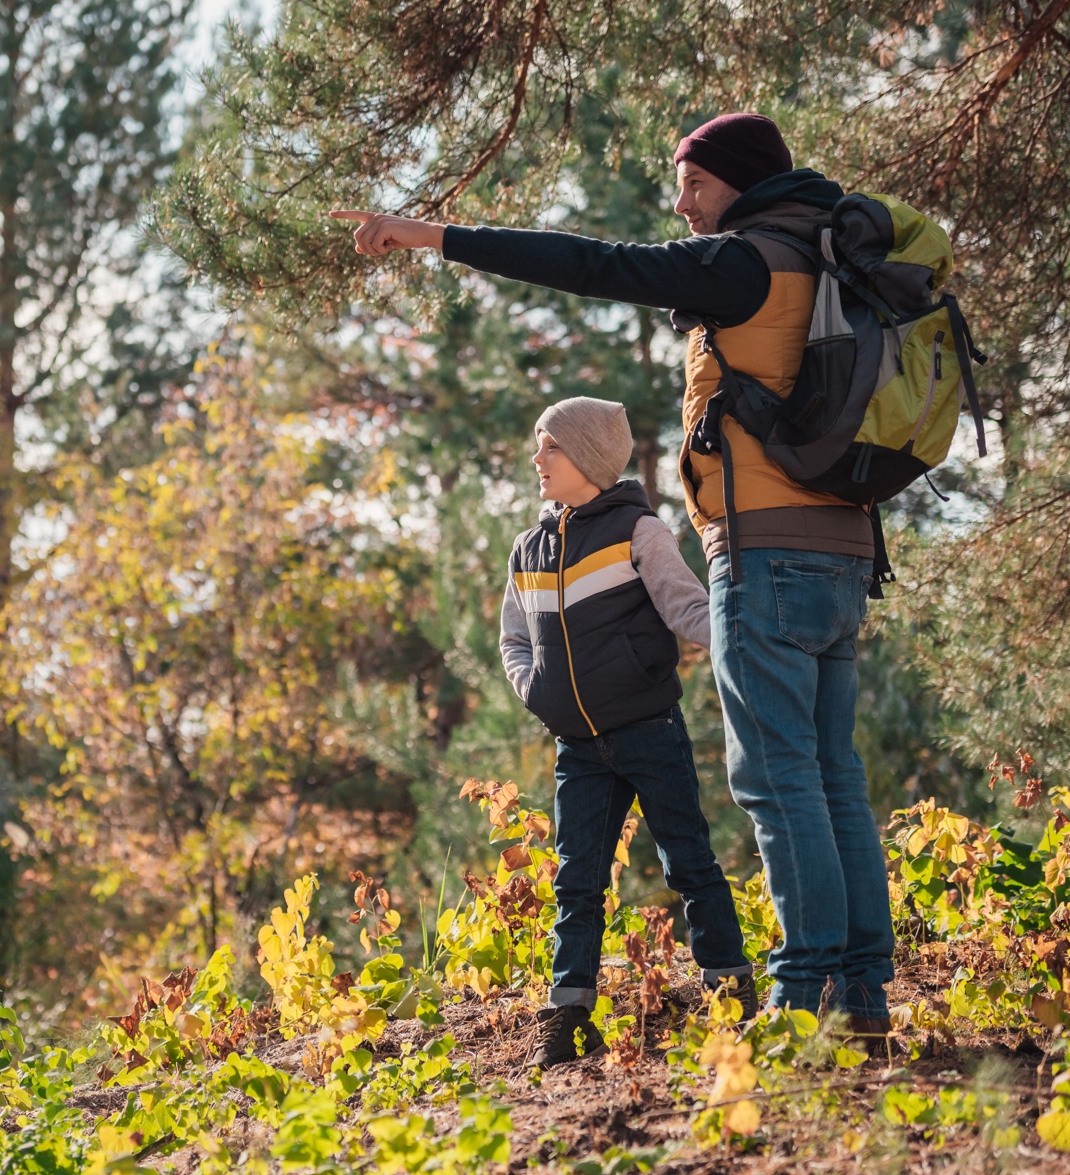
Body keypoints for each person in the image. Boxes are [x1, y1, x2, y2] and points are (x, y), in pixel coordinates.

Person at [334, 113, 896, 1034]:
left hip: (768, 557)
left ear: (744, 184)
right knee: (835, 776)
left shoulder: (746, 260)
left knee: (780, 780)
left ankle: (803, 999)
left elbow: (589, 261)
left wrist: (430, 235)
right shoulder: (825, 258)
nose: (683, 205)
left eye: (697, 186)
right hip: (843, 550)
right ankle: (861, 996)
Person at [506, 396, 754, 1069]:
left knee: (689, 861)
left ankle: (731, 988)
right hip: (579, 747)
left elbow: (687, 605)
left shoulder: (638, 531)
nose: (538, 459)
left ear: (586, 455)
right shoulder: (529, 548)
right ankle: (568, 1012)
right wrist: (535, 690)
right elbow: (513, 639)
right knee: (577, 878)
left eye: (549, 446)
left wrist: (742, 650)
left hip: (648, 727)